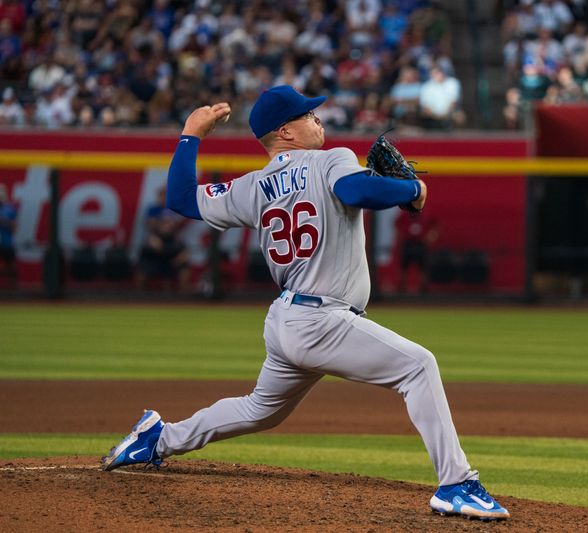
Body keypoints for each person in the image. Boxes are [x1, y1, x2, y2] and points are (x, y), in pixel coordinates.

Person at [100, 85, 509, 521]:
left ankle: (156, 439)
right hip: (321, 319)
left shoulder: (253, 186)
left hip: (288, 319)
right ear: (285, 132)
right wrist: (411, 190)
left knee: (260, 410)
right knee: (418, 365)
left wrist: (190, 135)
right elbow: (356, 192)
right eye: (309, 116)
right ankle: (457, 484)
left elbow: (182, 200)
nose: (319, 121)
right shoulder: (331, 159)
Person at [136, 186, 190, 292]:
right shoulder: (154, 210)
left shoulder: (175, 209)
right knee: (143, 264)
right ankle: (140, 296)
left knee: (182, 263)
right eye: (162, 195)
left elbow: (178, 227)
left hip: (170, 243)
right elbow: (150, 225)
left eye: (166, 195)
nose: (164, 197)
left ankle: (183, 298)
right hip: (156, 241)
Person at [0, 183, 17, 283]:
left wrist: (3, 221)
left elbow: (14, 228)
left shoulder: (10, 208)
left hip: (7, 244)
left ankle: (12, 290)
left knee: (10, 268)